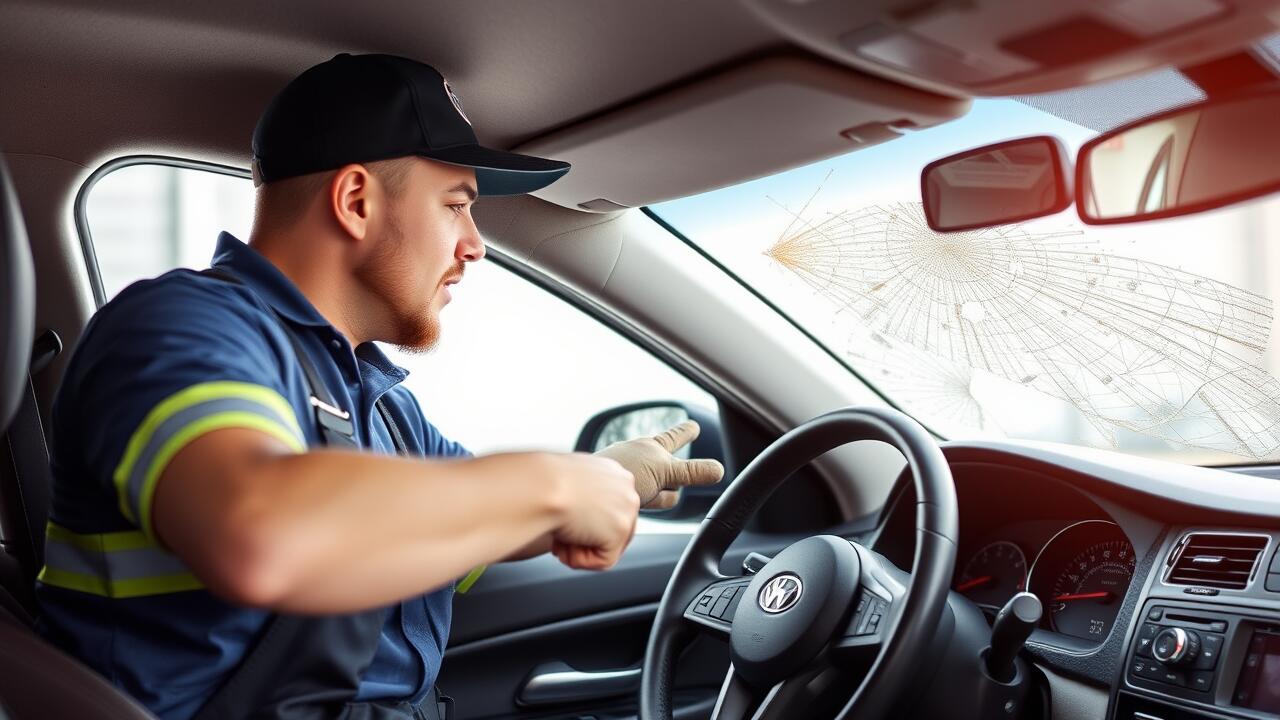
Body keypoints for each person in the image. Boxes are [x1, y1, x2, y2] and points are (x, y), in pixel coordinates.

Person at [36, 53, 724, 720]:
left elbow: (461, 523)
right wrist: (557, 484)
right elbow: (259, 532)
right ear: (356, 200)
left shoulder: (378, 399)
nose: (476, 244)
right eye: (457, 206)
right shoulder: (180, 326)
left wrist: (608, 475)